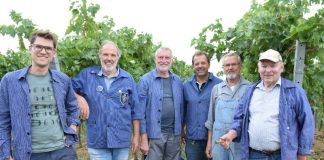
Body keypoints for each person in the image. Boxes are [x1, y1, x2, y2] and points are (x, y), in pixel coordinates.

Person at [219, 49, 315, 160]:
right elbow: (240, 118)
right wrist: (231, 134)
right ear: (259, 68)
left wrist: (302, 154)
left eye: (272, 66)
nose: (268, 70)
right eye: (264, 66)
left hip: (282, 156)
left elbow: (307, 123)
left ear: (281, 67)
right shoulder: (251, 90)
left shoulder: (294, 91)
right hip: (254, 155)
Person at [0, 30, 80, 160]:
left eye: (48, 48)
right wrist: (5, 155)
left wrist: (72, 128)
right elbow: (2, 121)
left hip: (63, 151)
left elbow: (73, 107)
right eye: (39, 47)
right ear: (30, 48)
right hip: (29, 154)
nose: (43, 51)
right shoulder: (10, 81)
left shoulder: (63, 80)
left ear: (54, 53)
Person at [72, 40, 142, 160]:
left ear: (118, 57)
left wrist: (136, 137)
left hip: (121, 140)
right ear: (100, 56)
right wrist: (79, 97)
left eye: (113, 55)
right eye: (105, 54)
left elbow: (135, 111)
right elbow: (67, 88)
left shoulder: (127, 78)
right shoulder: (87, 75)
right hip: (97, 139)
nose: (109, 58)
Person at [138, 47, 184, 160]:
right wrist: (143, 138)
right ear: (155, 59)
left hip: (174, 134)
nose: (164, 60)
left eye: (167, 57)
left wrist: (182, 131)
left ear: (171, 60)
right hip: (154, 134)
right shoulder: (146, 80)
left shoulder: (177, 81)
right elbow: (139, 112)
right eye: (160, 57)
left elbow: (182, 108)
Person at [204, 52, 250, 159]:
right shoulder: (217, 89)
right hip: (219, 141)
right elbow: (211, 120)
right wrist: (209, 143)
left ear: (240, 66)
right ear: (223, 68)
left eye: (233, 64)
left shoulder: (249, 88)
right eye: (227, 65)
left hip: (239, 142)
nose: (230, 68)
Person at [182, 51, 222, 160]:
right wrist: (181, 130)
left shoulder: (220, 85)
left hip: (215, 140)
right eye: (197, 64)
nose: (200, 66)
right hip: (193, 141)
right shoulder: (186, 85)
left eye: (203, 63)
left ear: (209, 64)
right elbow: (183, 110)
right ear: (193, 66)